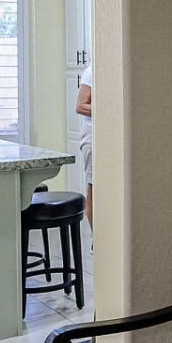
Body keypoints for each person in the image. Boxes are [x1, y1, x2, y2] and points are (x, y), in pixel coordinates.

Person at [74, 81, 93, 231]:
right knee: (94, 187)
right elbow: (80, 106)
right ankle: (97, 239)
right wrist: (109, 109)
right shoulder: (90, 72)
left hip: (110, 137)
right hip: (92, 139)